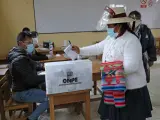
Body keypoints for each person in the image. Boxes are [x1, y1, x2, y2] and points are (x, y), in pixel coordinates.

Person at [72, 6, 152, 120]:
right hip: (113, 84)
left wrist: (106, 69)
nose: (107, 28)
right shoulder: (111, 37)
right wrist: (80, 50)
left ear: (118, 25)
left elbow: (132, 66)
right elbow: (98, 47)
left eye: (109, 26)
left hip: (131, 89)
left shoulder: (131, 40)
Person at [8, 31, 49, 120]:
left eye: (31, 42)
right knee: (50, 97)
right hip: (21, 92)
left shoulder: (20, 53)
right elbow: (31, 80)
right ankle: (31, 118)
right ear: (20, 43)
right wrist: (48, 76)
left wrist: (42, 66)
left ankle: (45, 112)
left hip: (24, 88)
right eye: (29, 43)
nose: (32, 45)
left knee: (48, 87)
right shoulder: (19, 59)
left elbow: (32, 63)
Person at [129, 10, 157, 83]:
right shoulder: (125, 30)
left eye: (137, 19)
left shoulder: (145, 30)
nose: (134, 21)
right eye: (132, 19)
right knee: (130, 78)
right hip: (129, 57)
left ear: (140, 20)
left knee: (142, 77)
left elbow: (151, 44)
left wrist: (152, 58)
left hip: (142, 57)